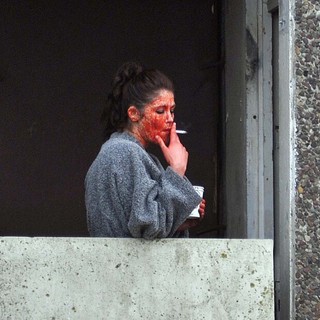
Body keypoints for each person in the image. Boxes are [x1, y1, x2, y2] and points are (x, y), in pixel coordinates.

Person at [85, 62, 205, 239]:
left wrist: (179, 220)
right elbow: (149, 227)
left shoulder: (120, 151)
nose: (170, 119)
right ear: (133, 114)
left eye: (172, 111)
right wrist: (177, 170)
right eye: (160, 111)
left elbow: (139, 226)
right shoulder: (124, 153)